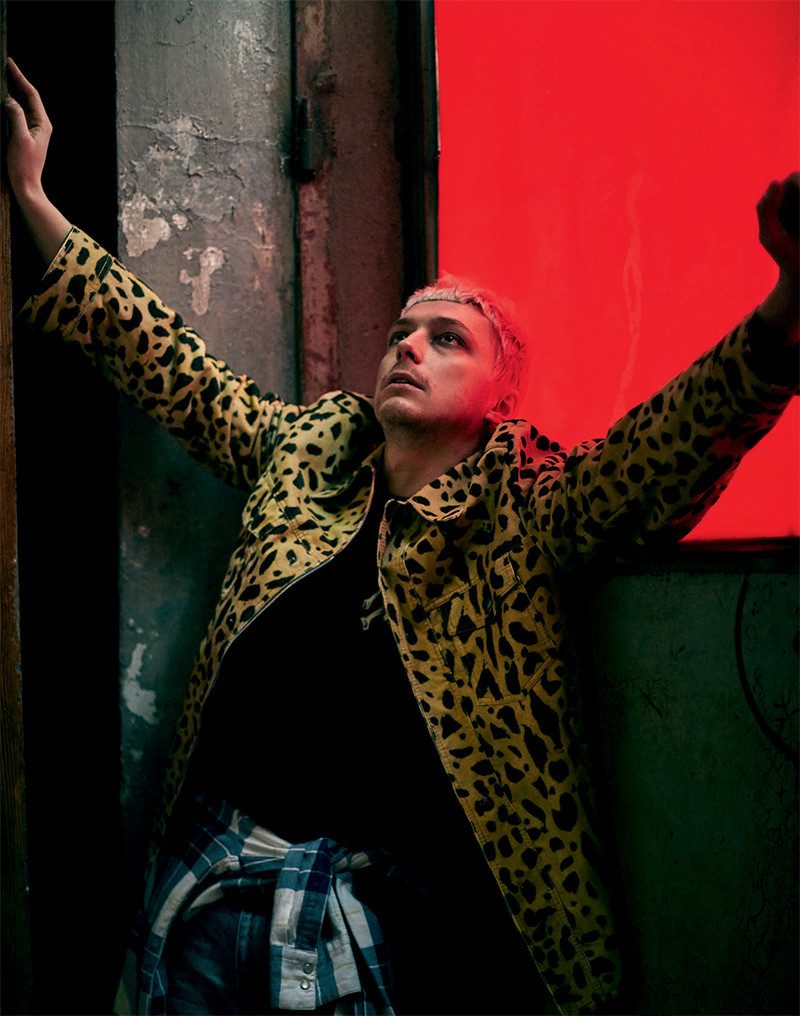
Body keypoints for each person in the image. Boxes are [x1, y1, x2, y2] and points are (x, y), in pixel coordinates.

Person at [5, 57, 798, 1016]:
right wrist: (32, 197)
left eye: (447, 338)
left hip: (377, 922)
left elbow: (665, 451)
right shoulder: (307, 456)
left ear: (501, 395)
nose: (409, 346)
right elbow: (163, 359)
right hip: (214, 878)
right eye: (400, 333)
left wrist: (786, 309)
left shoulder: (527, 506)